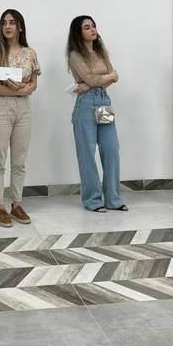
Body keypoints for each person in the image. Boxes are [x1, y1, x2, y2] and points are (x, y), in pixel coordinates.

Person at [0, 10, 40, 227]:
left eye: (12, 22)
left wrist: (25, 91)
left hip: (24, 109)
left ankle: (16, 203)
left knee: (20, 159)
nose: (8, 26)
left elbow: (33, 84)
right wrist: (20, 90)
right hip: (0, 107)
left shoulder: (30, 53)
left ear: (20, 27)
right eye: (4, 23)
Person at [67, 16, 125, 213]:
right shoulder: (75, 55)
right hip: (85, 105)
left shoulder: (101, 52)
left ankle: (113, 199)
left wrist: (96, 81)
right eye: (87, 27)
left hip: (104, 101)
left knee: (111, 149)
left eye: (93, 26)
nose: (92, 29)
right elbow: (96, 78)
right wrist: (105, 78)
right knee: (87, 154)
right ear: (78, 32)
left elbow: (110, 78)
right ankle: (92, 200)